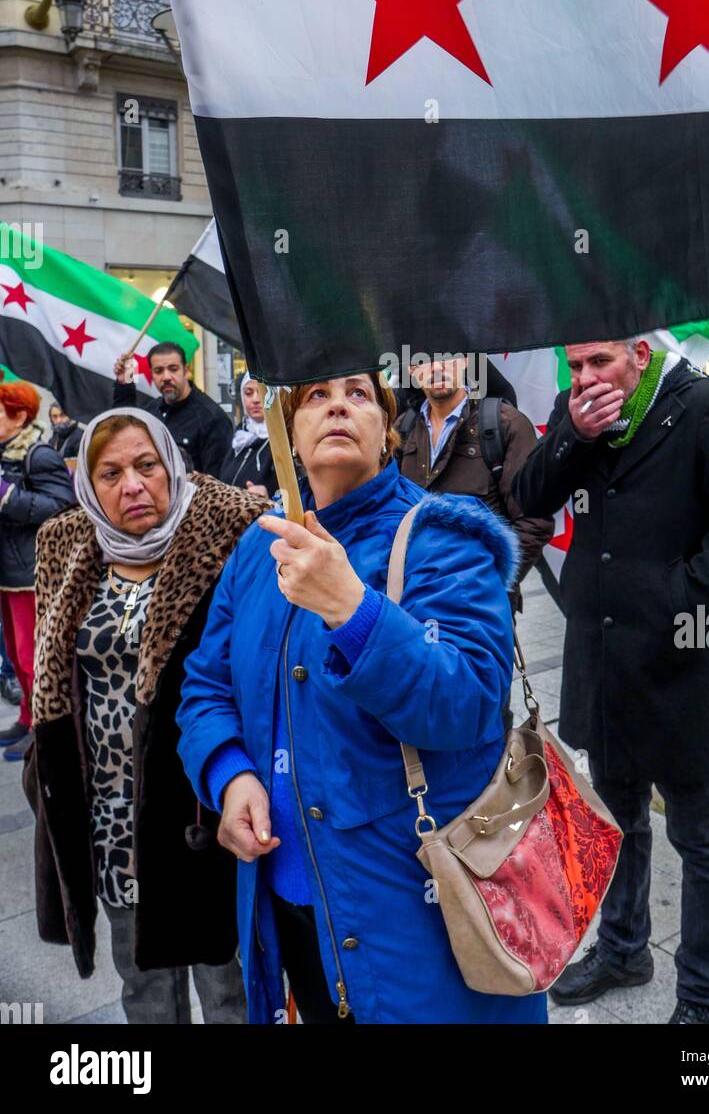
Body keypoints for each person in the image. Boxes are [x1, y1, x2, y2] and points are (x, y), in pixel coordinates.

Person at [176, 372, 546, 1026]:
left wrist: (352, 608)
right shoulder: (257, 551)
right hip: (289, 914)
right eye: (314, 397)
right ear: (287, 432)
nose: (336, 405)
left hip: (413, 923)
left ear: (386, 428)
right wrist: (228, 776)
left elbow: (469, 703)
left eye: (357, 393)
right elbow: (206, 685)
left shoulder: (449, 535)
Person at [513, 340, 709, 1024]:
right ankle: (625, 948)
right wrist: (574, 430)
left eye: (600, 362)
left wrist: (676, 598)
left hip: (680, 664)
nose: (587, 377)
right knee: (618, 819)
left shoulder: (706, 406)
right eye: (577, 367)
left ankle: (702, 995)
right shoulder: (585, 420)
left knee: (702, 838)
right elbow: (530, 493)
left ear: (637, 352)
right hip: (602, 662)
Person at [24, 409, 269, 1022]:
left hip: (200, 809)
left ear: (172, 466)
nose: (130, 485)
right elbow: (52, 682)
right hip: (111, 822)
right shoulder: (67, 547)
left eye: (145, 465)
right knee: (143, 989)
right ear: (87, 484)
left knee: (225, 985)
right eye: (109, 473)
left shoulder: (229, 538)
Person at [395, 354, 553, 610]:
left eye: (447, 356)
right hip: (415, 603)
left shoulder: (506, 424)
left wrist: (490, 584)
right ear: (412, 369)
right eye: (425, 360)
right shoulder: (404, 428)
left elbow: (535, 521)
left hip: (482, 609)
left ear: (467, 360)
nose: (436, 368)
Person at [0, 382, 75, 761]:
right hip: (8, 570)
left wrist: (8, 497)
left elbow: (62, 506)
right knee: (15, 655)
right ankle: (26, 716)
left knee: (33, 657)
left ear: (18, 415)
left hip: (31, 572)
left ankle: (40, 729)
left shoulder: (38, 454)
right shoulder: (4, 452)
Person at [113, 342, 233, 478]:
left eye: (173, 369)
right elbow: (123, 430)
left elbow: (219, 484)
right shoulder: (152, 410)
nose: (166, 377)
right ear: (151, 374)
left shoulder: (212, 418)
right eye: (158, 371)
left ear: (186, 371)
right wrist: (125, 380)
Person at [218, 373, 278, 498]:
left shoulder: (284, 439)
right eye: (248, 393)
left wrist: (270, 495)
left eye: (262, 392)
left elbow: (294, 495)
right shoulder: (239, 436)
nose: (255, 399)